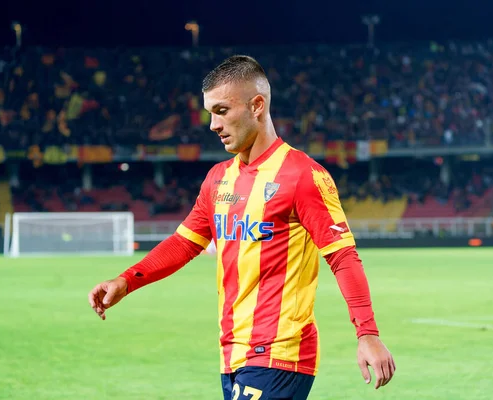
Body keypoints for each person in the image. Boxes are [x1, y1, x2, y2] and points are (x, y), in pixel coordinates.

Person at [88, 55, 396, 400]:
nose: (212, 125)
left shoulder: (302, 176)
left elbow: (343, 257)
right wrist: (126, 281)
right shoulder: (218, 179)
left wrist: (366, 332)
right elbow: (184, 243)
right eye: (209, 113)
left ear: (257, 105)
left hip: (281, 352)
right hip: (232, 353)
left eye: (221, 111)